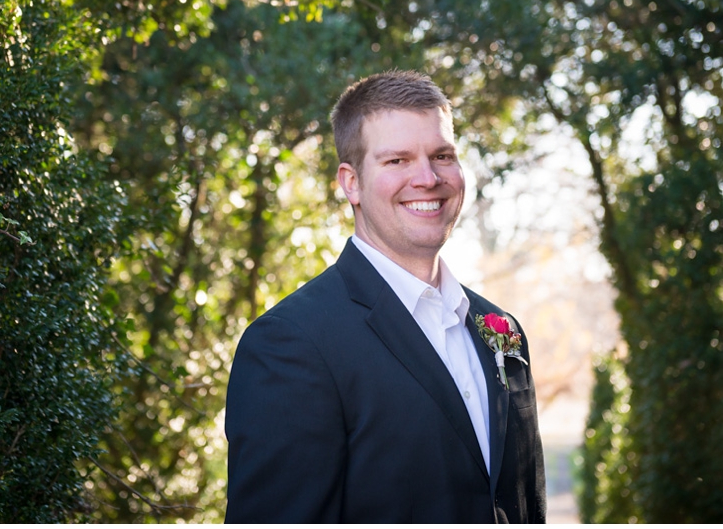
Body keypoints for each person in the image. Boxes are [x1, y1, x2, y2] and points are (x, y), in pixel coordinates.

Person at [224, 70, 546, 523]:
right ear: (350, 182)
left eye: (442, 155)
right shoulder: (291, 344)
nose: (428, 177)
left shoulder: (501, 330)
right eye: (397, 160)